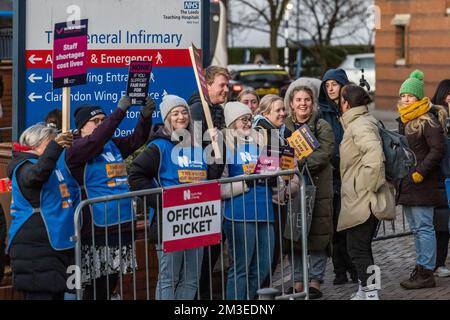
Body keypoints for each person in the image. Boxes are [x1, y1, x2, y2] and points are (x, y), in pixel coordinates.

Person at [129, 94, 221, 299]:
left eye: (184, 112)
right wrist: (164, 201)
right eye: (175, 113)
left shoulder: (196, 145)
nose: (181, 116)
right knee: (169, 278)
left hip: (197, 221)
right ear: (167, 118)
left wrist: (216, 148)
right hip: (171, 222)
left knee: (191, 279)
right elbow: (136, 175)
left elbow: (212, 177)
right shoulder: (159, 147)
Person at [65, 95, 154, 300]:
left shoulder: (110, 145)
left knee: (110, 284)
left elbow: (136, 140)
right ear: (80, 128)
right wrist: (120, 111)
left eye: (102, 120)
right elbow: (96, 138)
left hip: (120, 224)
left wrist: (145, 116)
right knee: (95, 288)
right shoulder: (76, 148)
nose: (101, 124)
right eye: (95, 121)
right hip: (96, 229)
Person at [338, 85, 396, 300]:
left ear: (345, 102)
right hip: (363, 196)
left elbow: (374, 157)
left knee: (357, 249)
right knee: (362, 248)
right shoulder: (362, 121)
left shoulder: (359, 125)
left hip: (364, 198)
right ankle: (365, 290)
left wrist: (366, 187)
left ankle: (371, 294)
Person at [7, 123, 75, 300]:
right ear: (35, 145)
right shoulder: (23, 166)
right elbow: (37, 175)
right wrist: (56, 147)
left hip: (53, 243)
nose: (55, 146)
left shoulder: (50, 164)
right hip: (34, 248)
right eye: (50, 143)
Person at [397, 70, 447, 290]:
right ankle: (421, 267)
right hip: (408, 185)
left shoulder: (428, 121)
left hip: (423, 184)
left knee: (425, 227)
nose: (405, 99)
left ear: (418, 97)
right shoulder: (405, 120)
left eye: (410, 95)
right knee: (417, 229)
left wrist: (421, 172)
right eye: (403, 95)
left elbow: (437, 150)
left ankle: (427, 272)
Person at [284, 82, 334, 299]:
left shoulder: (322, 125)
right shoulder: (284, 126)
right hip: (292, 190)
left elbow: (325, 153)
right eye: (299, 100)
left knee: (317, 235)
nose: (303, 103)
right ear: (292, 104)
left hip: (318, 188)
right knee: (293, 235)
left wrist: (300, 161)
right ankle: (297, 282)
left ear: (312, 103)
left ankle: (315, 281)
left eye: (307, 100)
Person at [220, 101, 274, 300]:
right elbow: (219, 185)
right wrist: (245, 183)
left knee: (263, 265)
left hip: (265, 209)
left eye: (250, 119)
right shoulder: (225, 145)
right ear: (232, 122)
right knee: (241, 266)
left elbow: (274, 174)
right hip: (238, 213)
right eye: (243, 119)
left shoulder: (261, 142)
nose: (248, 123)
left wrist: (277, 177)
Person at [189, 65, 229, 298]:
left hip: (213, 192)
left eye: (226, 85)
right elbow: (193, 152)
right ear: (207, 85)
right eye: (221, 85)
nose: (226, 90)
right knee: (201, 261)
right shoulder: (197, 110)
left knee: (210, 255)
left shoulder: (216, 111)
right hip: (202, 193)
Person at [318, 68, 357, 285]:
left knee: (351, 227)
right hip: (331, 178)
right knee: (334, 228)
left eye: (334, 84)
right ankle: (339, 270)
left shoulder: (352, 109)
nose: (330, 88)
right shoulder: (321, 113)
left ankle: (353, 268)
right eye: (327, 85)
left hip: (351, 176)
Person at [253, 94, 292, 285]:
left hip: (280, 196)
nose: (283, 113)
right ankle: (261, 292)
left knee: (275, 250)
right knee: (268, 250)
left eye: (284, 109)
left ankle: (265, 289)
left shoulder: (280, 132)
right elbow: (262, 166)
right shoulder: (262, 132)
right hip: (268, 198)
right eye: (278, 110)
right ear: (265, 113)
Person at [431, 79, 450, 278]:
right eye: (447, 95)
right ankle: (438, 262)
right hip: (441, 179)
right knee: (441, 225)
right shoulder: (435, 118)